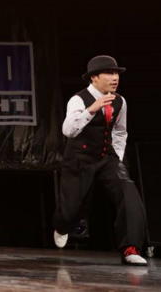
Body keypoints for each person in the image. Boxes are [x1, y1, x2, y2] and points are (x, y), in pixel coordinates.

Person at [53, 55, 148, 265]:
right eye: (109, 73)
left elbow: (120, 132)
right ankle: (62, 225)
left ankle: (131, 247)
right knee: (71, 208)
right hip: (79, 158)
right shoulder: (79, 99)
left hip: (107, 157)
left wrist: (118, 158)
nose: (115, 78)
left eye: (116, 74)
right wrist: (91, 109)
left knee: (128, 193)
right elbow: (68, 130)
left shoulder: (120, 101)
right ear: (94, 77)